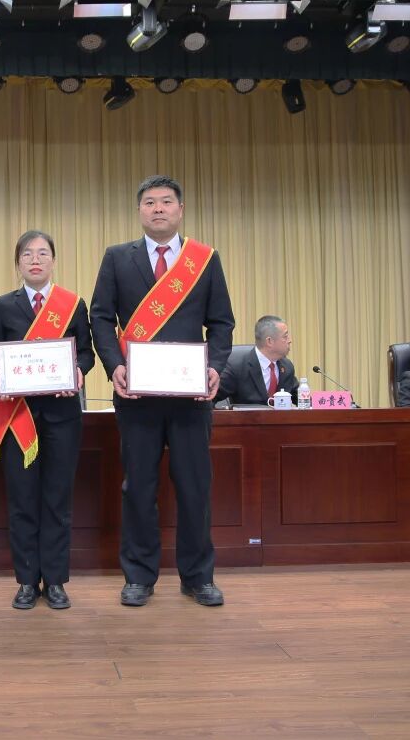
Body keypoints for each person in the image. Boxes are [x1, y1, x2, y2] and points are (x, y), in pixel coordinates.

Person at [91, 175, 235, 608]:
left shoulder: (203, 259)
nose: (158, 209)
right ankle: (138, 577)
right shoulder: (118, 257)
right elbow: (101, 318)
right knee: (138, 487)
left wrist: (214, 369)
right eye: (150, 202)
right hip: (137, 397)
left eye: (166, 202)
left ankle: (198, 578)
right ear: (140, 211)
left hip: (191, 398)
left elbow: (222, 323)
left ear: (180, 209)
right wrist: (115, 366)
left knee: (194, 488)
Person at [0, 230, 95, 610]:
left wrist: (78, 371)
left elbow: (86, 353)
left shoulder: (72, 304)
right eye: (28, 254)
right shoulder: (3, 306)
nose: (35, 260)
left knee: (57, 500)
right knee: (22, 500)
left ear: (53, 260)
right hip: (18, 416)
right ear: (18, 262)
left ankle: (56, 580)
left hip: (62, 415)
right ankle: (27, 581)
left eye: (43, 253)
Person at [217, 315, 298, 406]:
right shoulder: (238, 367)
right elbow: (212, 397)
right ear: (269, 341)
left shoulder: (287, 366)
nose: (290, 340)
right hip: (248, 415)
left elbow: (300, 398)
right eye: (285, 336)